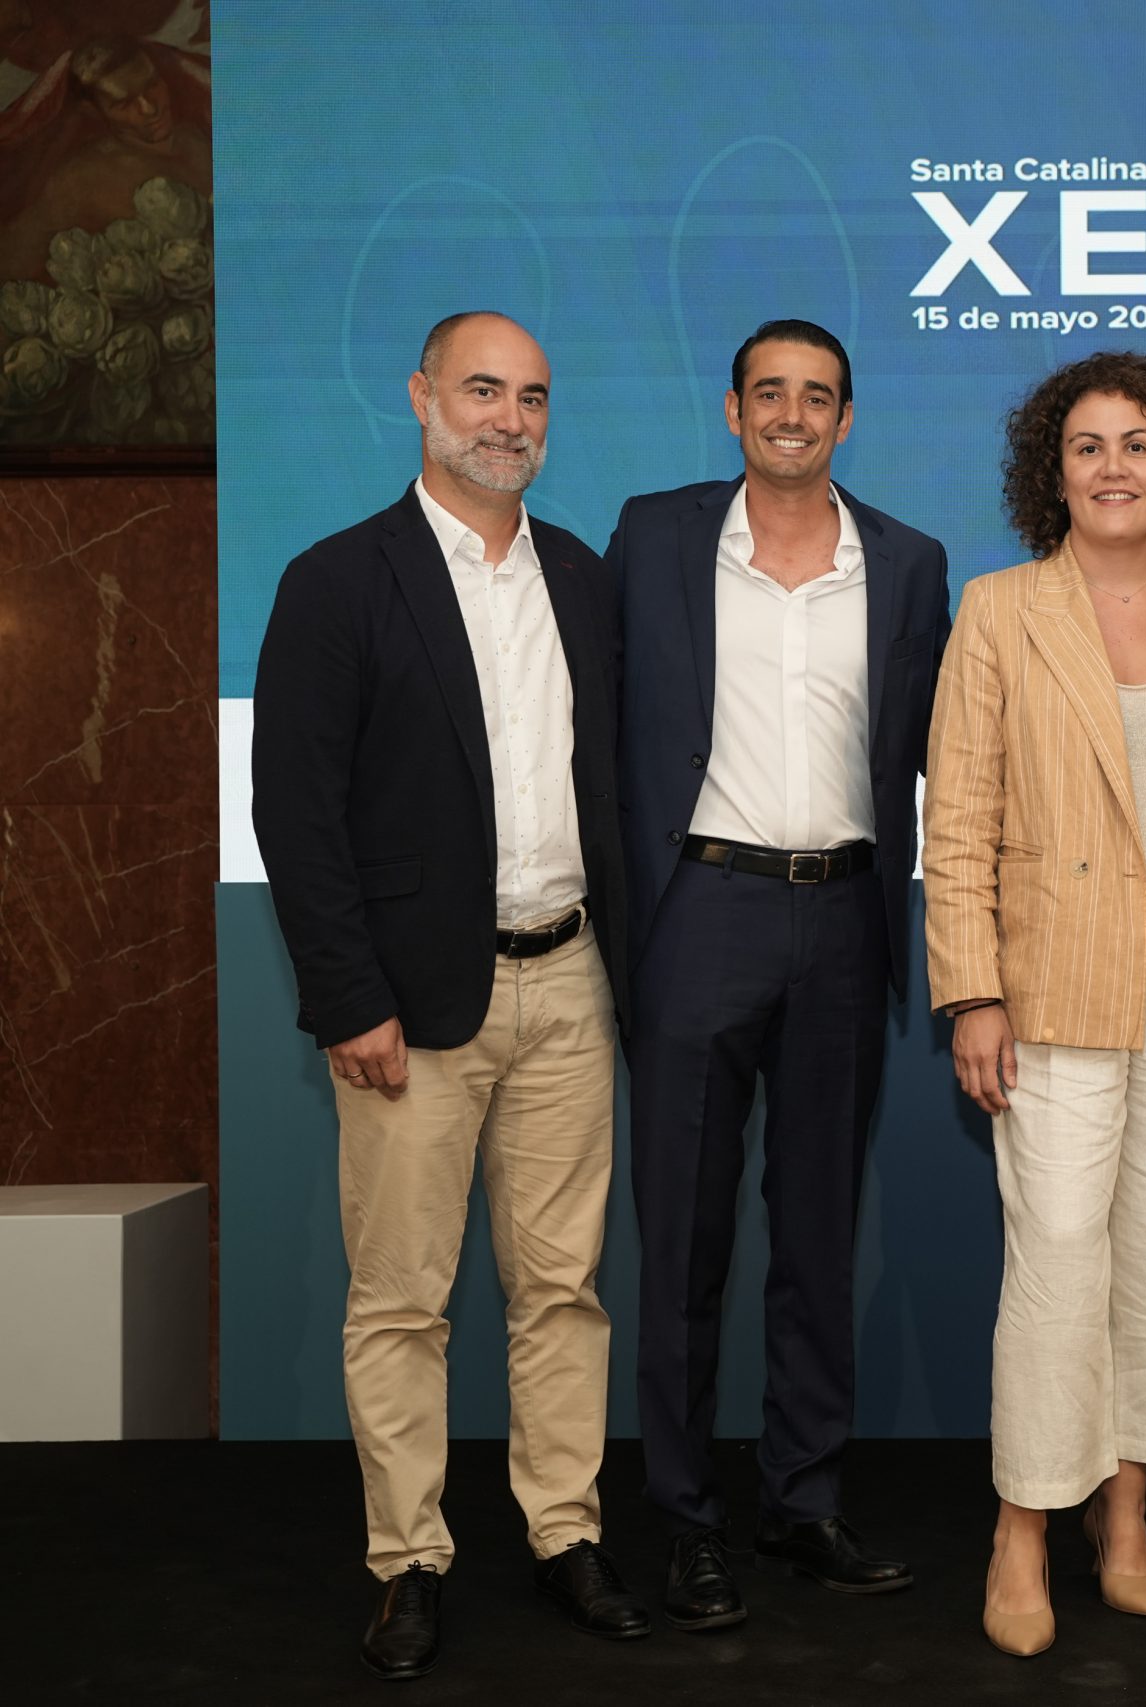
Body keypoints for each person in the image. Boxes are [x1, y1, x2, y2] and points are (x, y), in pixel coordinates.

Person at [251, 310, 646, 1680]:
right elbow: (296, 812)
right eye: (482, 390)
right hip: (410, 1008)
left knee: (564, 1290)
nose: (508, 420)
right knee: (401, 1301)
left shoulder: (581, 577)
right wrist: (346, 997)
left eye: (531, 397)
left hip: (570, 985)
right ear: (422, 398)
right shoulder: (337, 578)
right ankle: (407, 1560)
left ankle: (565, 1533)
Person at [923, 351, 1146, 1659]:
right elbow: (958, 817)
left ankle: (1125, 1513)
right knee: (1061, 1250)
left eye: (1137, 444)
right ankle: (1023, 1523)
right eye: (1088, 445)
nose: (1113, 466)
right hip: (1055, 968)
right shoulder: (1000, 610)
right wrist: (972, 990)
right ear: (1051, 472)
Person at [611, 319, 947, 1632]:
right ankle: (686, 1519)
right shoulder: (654, 536)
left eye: (816, 396)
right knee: (683, 1236)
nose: (792, 414)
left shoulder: (909, 563)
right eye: (770, 393)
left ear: (847, 419)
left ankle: (802, 1500)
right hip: (701, 910)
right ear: (734, 409)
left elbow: (946, 744)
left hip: (845, 916)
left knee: (817, 1231)